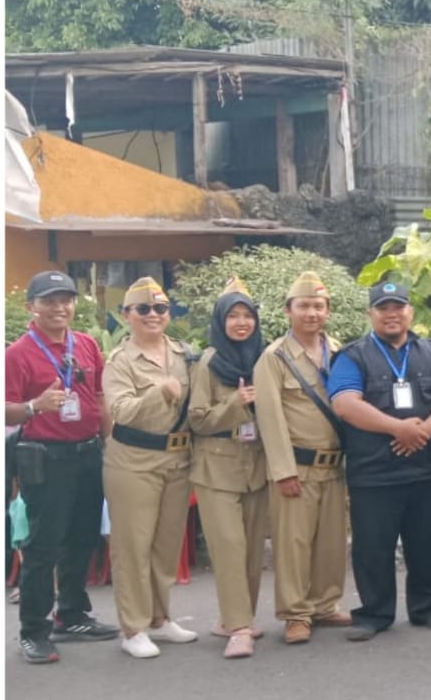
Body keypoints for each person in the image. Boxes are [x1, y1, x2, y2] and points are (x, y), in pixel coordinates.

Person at [327, 279, 431, 639]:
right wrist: (398, 429)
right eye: (383, 308)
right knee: (372, 547)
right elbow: (345, 404)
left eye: (398, 307)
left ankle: (428, 608)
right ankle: (374, 614)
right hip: (374, 471)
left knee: (430, 544)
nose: (392, 314)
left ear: (411, 312)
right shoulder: (352, 356)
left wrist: (422, 431)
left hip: (427, 468)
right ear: (370, 314)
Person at [4, 271, 115, 663]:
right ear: (31, 307)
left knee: (82, 537)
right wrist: (35, 406)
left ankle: (71, 614)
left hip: (88, 453)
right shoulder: (17, 353)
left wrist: (108, 442)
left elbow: (99, 396)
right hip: (46, 457)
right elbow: (2, 408)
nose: (59, 307)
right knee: (43, 546)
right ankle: (33, 630)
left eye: (65, 299)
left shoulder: (84, 344)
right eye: (49, 300)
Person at [251, 269, 351, 645]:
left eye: (319, 306)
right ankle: (295, 613)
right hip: (297, 466)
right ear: (288, 310)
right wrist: (282, 470)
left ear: (328, 311)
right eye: (304, 306)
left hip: (334, 465)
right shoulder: (274, 358)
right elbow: (270, 418)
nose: (312, 313)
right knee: (293, 544)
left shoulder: (340, 351)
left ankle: (325, 604)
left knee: (331, 541)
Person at [102, 276, 197, 658]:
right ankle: (133, 627)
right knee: (133, 546)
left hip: (177, 458)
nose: (152, 315)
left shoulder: (184, 354)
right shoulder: (120, 361)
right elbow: (120, 411)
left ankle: (160, 618)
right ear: (127, 315)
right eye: (143, 309)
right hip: (133, 461)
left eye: (159, 308)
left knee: (165, 544)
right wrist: (158, 392)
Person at [186, 278, 270, 658]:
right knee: (230, 548)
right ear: (220, 322)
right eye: (233, 316)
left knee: (252, 549)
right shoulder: (208, 362)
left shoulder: (265, 359)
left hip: (255, 464)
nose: (241, 323)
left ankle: (235, 618)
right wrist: (236, 403)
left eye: (247, 315)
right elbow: (198, 420)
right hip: (217, 466)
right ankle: (239, 628)